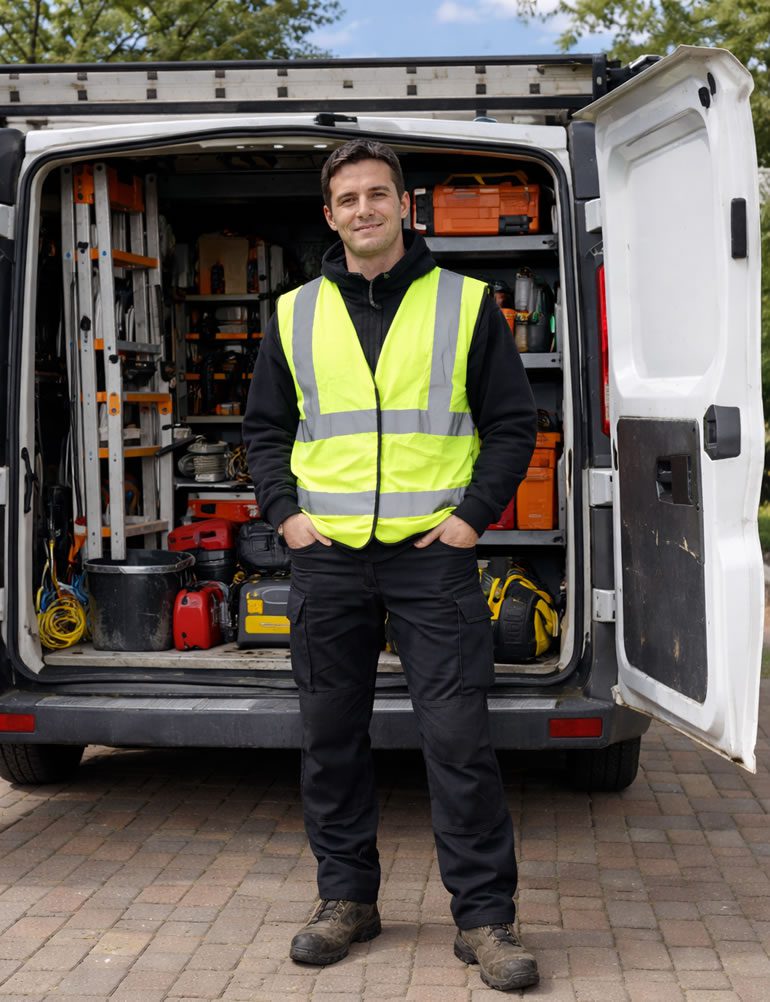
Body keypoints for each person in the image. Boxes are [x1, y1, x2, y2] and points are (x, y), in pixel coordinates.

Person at [243, 138, 539, 992]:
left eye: (378, 194)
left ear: (403, 206)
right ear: (329, 215)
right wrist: (286, 518)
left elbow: (512, 426)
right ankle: (346, 902)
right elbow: (264, 432)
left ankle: (485, 920)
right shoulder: (293, 313)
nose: (364, 209)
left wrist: (470, 520)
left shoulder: (467, 304)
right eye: (348, 199)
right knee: (332, 740)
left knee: (459, 742)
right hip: (327, 559)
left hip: (430, 559)